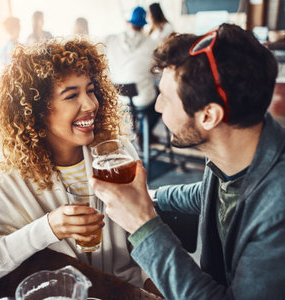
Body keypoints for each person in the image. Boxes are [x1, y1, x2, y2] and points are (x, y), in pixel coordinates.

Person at [91, 23, 285, 299]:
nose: (157, 106)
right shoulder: (237, 153)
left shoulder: (278, 212)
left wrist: (142, 223)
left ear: (209, 116)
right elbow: (208, 194)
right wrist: (148, 197)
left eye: (166, 98)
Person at [0, 38, 144, 289]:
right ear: (36, 110)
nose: (90, 104)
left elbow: (143, 234)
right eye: (71, 95)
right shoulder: (10, 176)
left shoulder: (116, 153)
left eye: (91, 90)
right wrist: (47, 229)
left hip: (126, 291)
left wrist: (152, 286)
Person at [104, 6, 160, 144]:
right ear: (144, 25)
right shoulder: (152, 43)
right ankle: (144, 132)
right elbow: (157, 72)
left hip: (118, 98)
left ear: (128, 22)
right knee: (161, 99)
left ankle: (137, 131)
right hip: (142, 99)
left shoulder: (111, 40)